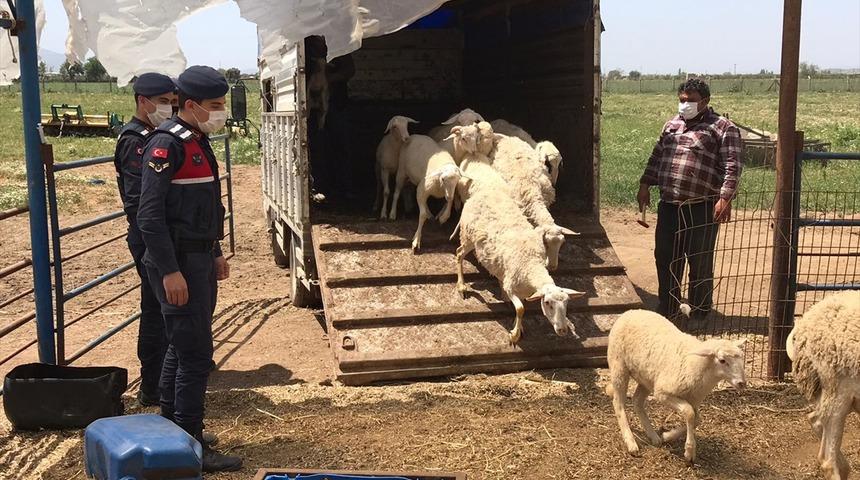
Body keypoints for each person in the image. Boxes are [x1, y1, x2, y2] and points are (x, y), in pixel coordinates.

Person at [137, 65, 242, 472]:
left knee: (182, 347)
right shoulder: (167, 146)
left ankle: (174, 426)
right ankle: (191, 442)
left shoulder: (196, 139)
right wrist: (169, 271)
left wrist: (214, 250)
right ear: (192, 105)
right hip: (178, 262)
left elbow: (200, 208)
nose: (221, 112)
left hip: (197, 257)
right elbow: (149, 216)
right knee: (195, 353)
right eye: (215, 106)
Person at [637, 78, 742, 320]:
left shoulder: (723, 128)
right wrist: (645, 184)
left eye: (691, 101)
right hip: (669, 206)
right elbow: (656, 156)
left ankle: (700, 312)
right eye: (682, 100)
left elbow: (732, 165)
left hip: (701, 206)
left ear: (705, 101)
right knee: (666, 258)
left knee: (700, 261)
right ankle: (668, 308)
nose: (685, 105)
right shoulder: (672, 125)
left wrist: (725, 198)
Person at [113, 72, 176, 407]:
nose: (168, 108)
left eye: (172, 102)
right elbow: (141, 202)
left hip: (155, 236)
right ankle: (153, 385)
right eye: (163, 101)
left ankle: (161, 379)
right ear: (143, 101)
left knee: (161, 308)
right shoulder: (135, 141)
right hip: (148, 237)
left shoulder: (151, 135)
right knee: (156, 310)